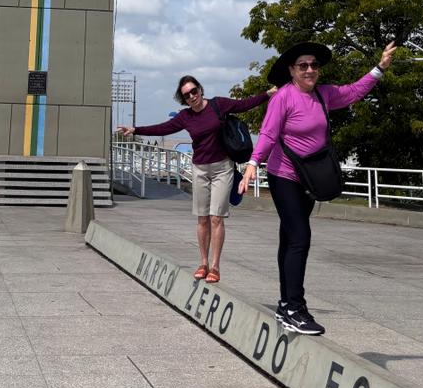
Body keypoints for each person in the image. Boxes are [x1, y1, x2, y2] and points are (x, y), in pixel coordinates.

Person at [240, 40, 396, 335]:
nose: (310, 70)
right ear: (292, 71)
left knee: (289, 239)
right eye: (303, 66)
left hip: (310, 178)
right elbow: (268, 134)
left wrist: (380, 68)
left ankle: (286, 303)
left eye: (314, 65)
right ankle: (296, 309)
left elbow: (353, 92)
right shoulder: (283, 98)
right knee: (300, 237)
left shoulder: (324, 95)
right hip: (284, 175)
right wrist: (252, 163)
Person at [117, 75, 273, 283]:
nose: (192, 96)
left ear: (200, 89)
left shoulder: (218, 104)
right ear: (183, 99)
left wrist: (267, 94)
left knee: (217, 217)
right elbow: (163, 128)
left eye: (194, 91)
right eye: (187, 95)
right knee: (202, 218)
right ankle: (203, 262)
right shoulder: (185, 117)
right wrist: (137, 130)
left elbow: (244, 105)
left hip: (222, 168)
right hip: (199, 169)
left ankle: (215, 266)